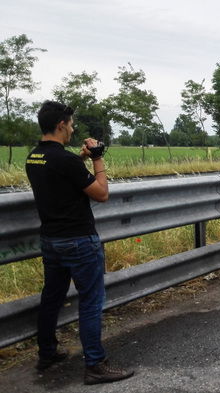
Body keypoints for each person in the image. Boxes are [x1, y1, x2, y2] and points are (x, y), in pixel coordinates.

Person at [25, 101, 134, 385]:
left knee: (52, 298)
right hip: (78, 241)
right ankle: (96, 365)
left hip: (51, 241)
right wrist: (97, 158)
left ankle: (47, 353)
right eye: (71, 124)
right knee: (90, 302)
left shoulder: (34, 157)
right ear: (61, 124)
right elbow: (100, 194)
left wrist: (81, 159)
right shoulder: (66, 161)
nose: (72, 129)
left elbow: (62, 173)